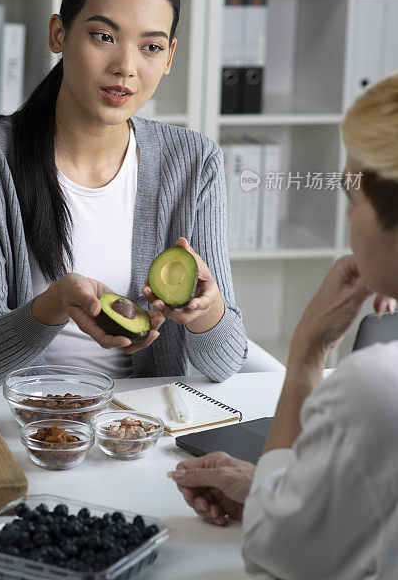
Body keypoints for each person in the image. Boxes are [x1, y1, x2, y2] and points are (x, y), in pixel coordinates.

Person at [0, 0, 247, 388]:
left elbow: (226, 362)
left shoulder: (194, 162)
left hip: (141, 432)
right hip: (28, 427)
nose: (126, 67)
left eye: (151, 47)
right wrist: (56, 303)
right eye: (104, 36)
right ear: (58, 34)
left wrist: (206, 310)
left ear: (170, 57)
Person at [169, 71, 398, 580]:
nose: (346, 219)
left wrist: (305, 356)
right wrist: (277, 485)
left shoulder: (375, 384)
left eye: (353, 197)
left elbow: (270, 551)